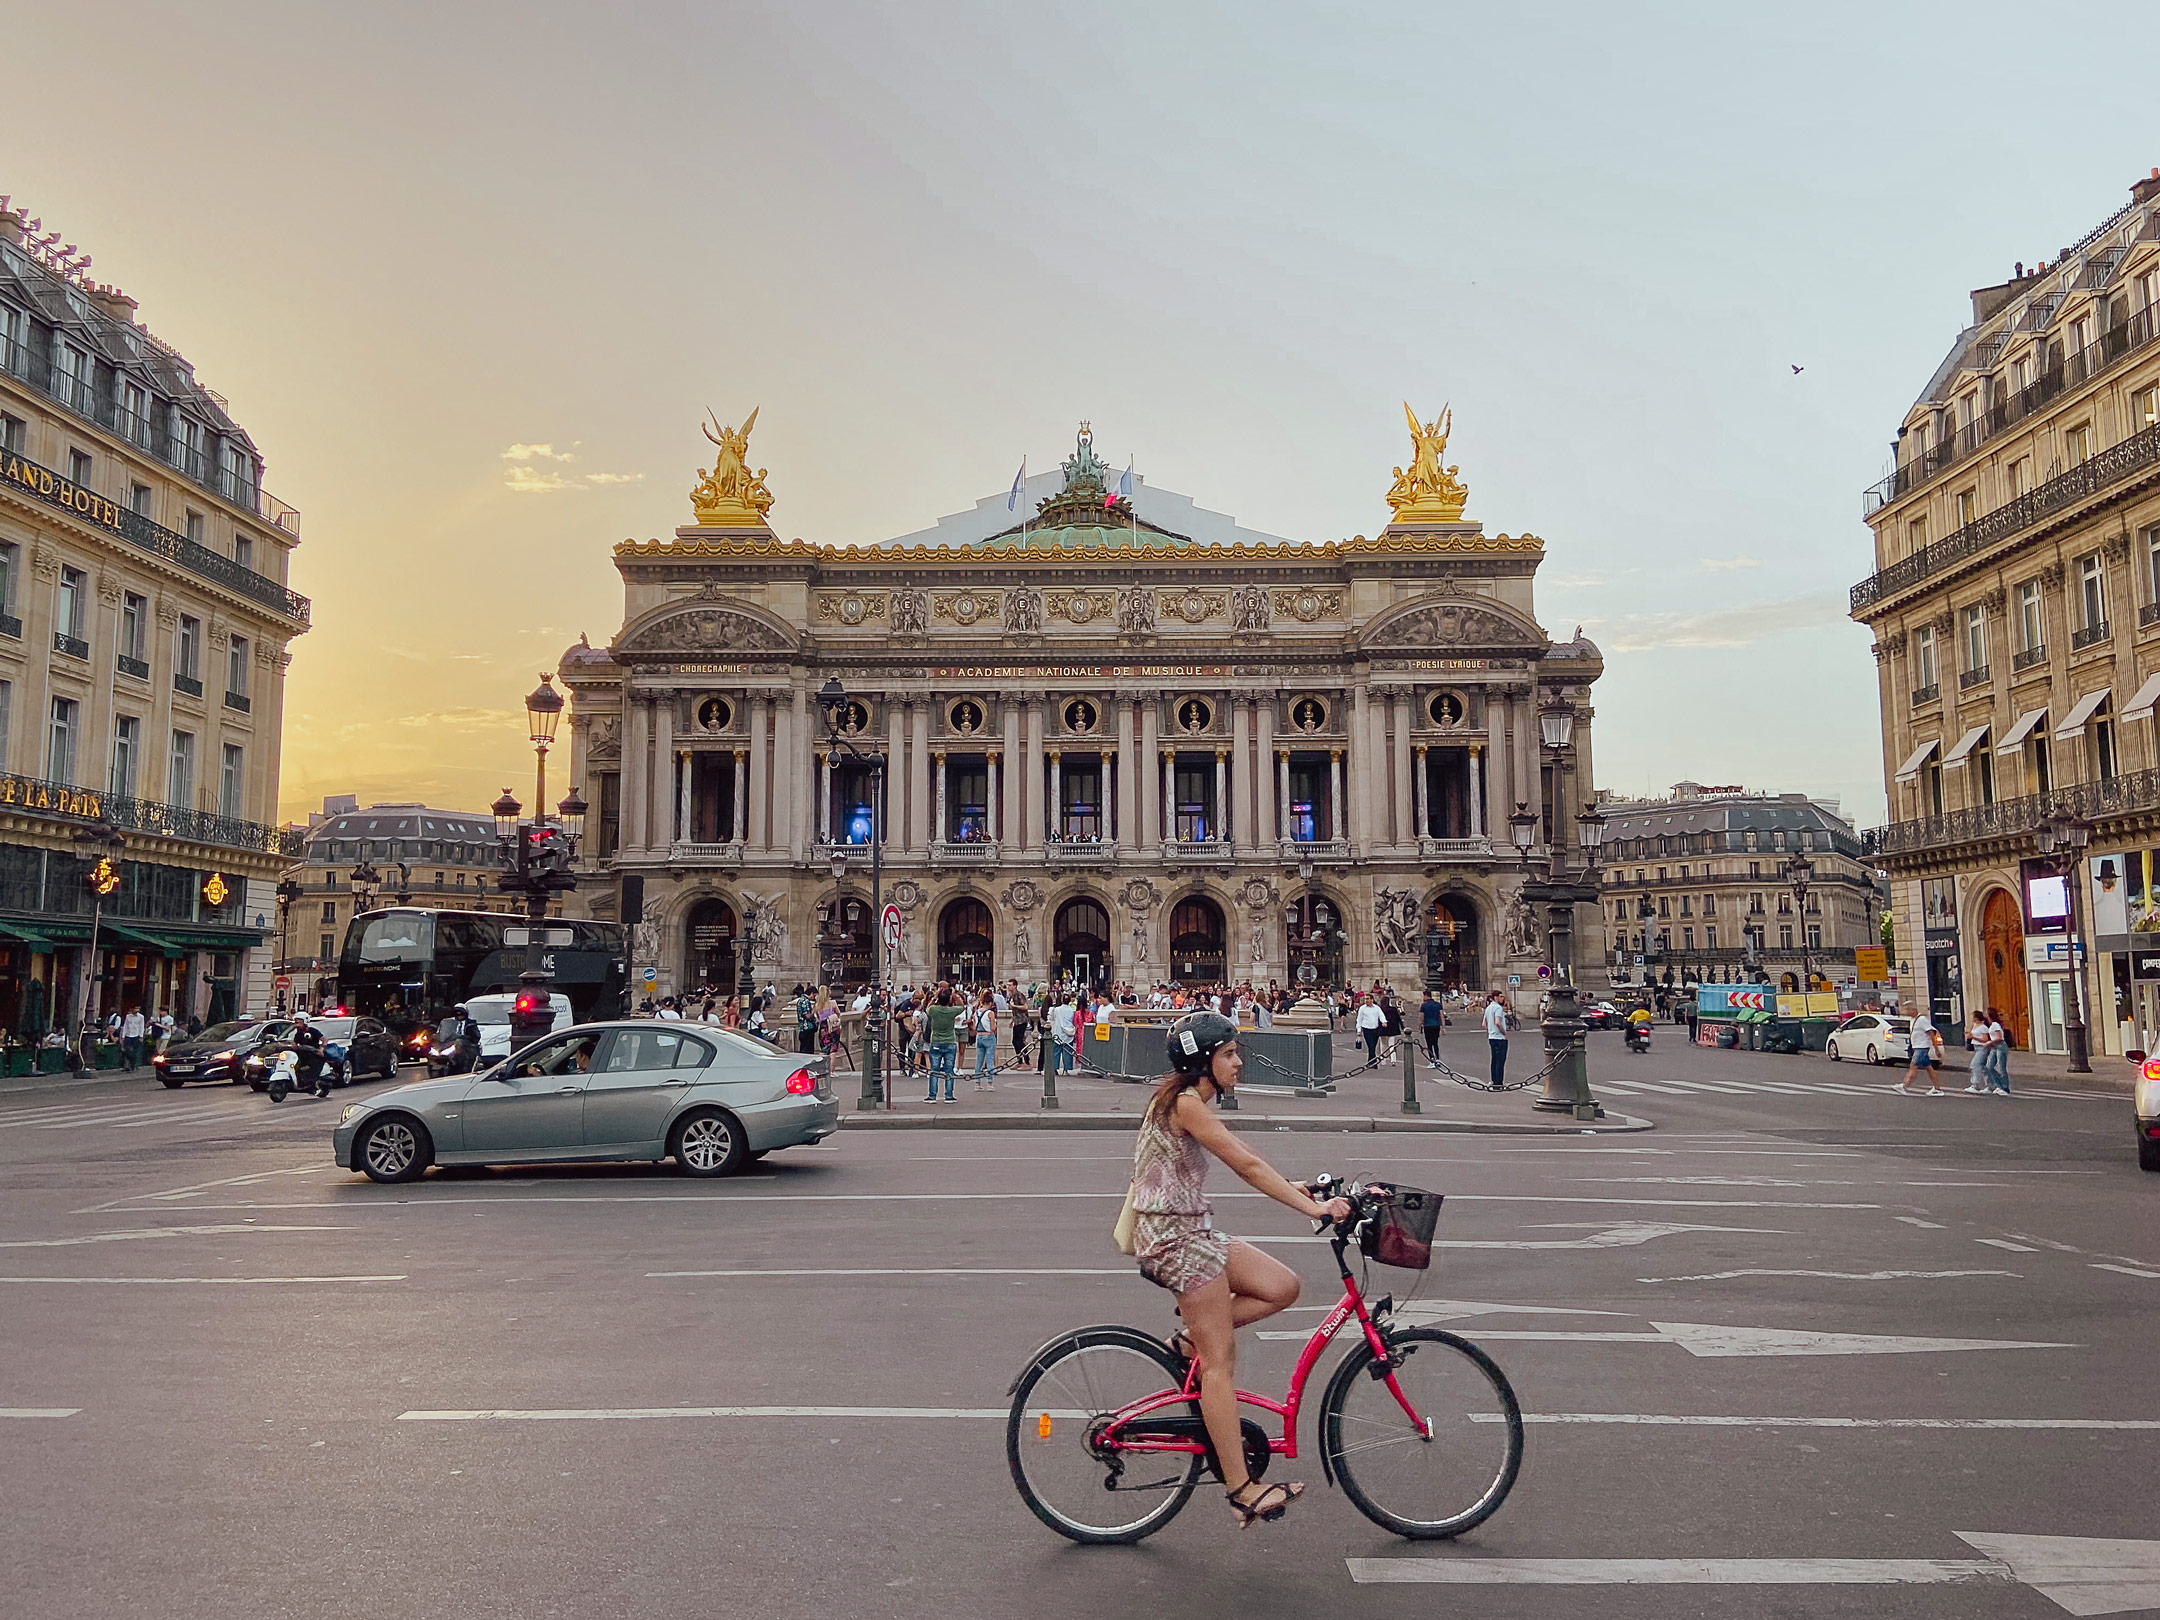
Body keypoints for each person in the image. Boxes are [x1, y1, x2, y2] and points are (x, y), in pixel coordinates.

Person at [1129, 1009, 1352, 1529]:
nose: (1238, 1061)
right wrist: (1314, 1210)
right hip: (1174, 1240)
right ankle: (1241, 1488)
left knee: (1282, 1286)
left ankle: (1190, 1340)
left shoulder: (1190, 1101)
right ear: (1203, 1061)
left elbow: (1247, 1153)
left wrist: (1293, 1185)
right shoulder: (1186, 1104)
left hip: (1194, 1231)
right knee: (1220, 1364)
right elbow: (1243, 1165)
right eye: (1229, 1053)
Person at [924, 988, 960, 1103]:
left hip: (936, 1041)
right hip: (950, 1041)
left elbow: (927, 1008)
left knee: (934, 1070)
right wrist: (954, 995)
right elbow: (962, 1006)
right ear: (949, 999)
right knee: (949, 1070)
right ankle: (949, 1095)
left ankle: (932, 1096)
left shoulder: (934, 1010)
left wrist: (934, 997)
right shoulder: (952, 1011)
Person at [1900, 1006, 1944, 1096]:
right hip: (1917, 1047)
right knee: (1929, 1068)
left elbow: (1931, 1034)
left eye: (1907, 1009)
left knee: (1913, 1066)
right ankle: (1937, 1088)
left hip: (1922, 1048)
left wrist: (1936, 1049)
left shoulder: (1922, 1020)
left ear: (1913, 1010)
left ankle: (1904, 1086)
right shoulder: (1913, 1020)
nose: (1906, 1012)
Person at [969, 990, 998, 1091]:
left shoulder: (976, 1012)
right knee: (990, 1060)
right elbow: (993, 1028)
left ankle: (977, 1083)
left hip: (979, 1036)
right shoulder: (990, 1013)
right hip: (988, 1036)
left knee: (979, 1061)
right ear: (990, 1003)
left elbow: (974, 1027)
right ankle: (989, 1083)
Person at [1482, 990, 1511, 1090]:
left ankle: (1494, 1080)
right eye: (1500, 996)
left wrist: (1491, 1030)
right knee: (1500, 1061)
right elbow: (1498, 1022)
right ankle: (1499, 1083)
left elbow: (1484, 1024)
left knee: (1494, 1060)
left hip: (1492, 1037)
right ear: (1495, 997)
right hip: (1500, 1038)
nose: (1502, 998)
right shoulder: (1498, 1008)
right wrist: (1504, 1033)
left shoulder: (1488, 1008)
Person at [1964, 1010, 1995, 1095]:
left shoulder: (1983, 1027)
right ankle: (1990, 1085)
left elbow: (1985, 1039)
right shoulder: (1975, 1026)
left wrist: (1973, 1037)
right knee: (1983, 1067)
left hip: (1982, 1048)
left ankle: (1975, 1084)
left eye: (1973, 1017)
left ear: (1976, 1018)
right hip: (1976, 1047)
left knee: (1975, 1065)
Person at [1983, 1006, 2012, 1095]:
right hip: (1995, 1047)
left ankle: (2005, 1087)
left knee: (2001, 1067)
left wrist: (1989, 1043)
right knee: (1989, 1066)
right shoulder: (1991, 1025)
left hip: (2000, 1046)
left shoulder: (1995, 1024)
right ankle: (1998, 1085)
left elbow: (1999, 1037)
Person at [1047, 990, 1077, 1076]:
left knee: (1056, 1052)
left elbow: (1053, 1019)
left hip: (1058, 1032)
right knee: (1067, 1052)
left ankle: (1054, 1068)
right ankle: (1066, 1069)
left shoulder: (1056, 1010)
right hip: (1068, 1033)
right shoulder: (1071, 1010)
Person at [1355, 993, 1384, 1067]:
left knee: (1373, 1046)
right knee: (1370, 1046)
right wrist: (1359, 1030)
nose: (1366, 1000)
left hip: (1375, 1029)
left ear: (1372, 999)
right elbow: (1359, 1019)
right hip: (1366, 1029)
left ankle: (1370, 1061)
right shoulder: (1362, 1008)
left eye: (1368, 999)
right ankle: (1374, 1063)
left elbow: (1381, 1015)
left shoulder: (1377, 1008)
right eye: (1365, 999)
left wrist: (1384, 1021)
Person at [1420, 990, 1443, 1062]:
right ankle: (1438, 1058)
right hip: (1436, 1025)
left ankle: (1432, 1059)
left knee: (1429, 1043)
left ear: (1426, 996)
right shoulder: (1438, 1004)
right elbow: (1441, 1016)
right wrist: (1443, 1027)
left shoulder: (1423, 1005)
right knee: (1435, 1043)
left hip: (1427, 1025)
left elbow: (1421, 1017)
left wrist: (1420, 1026)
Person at [120, 1006, 146, 1071]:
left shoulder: (141, 1017)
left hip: (136, 1035)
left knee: (134, 1051)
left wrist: (141, 1036)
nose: (137, 1010)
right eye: (136, 1008)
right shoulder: (128, 1016)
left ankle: (132, 1066)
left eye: (138, 1008)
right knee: (127, 1050)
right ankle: (128, 1064)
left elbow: (141, 1026)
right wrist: (123, 1035)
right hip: (128, 1035)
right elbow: (126, 1026)